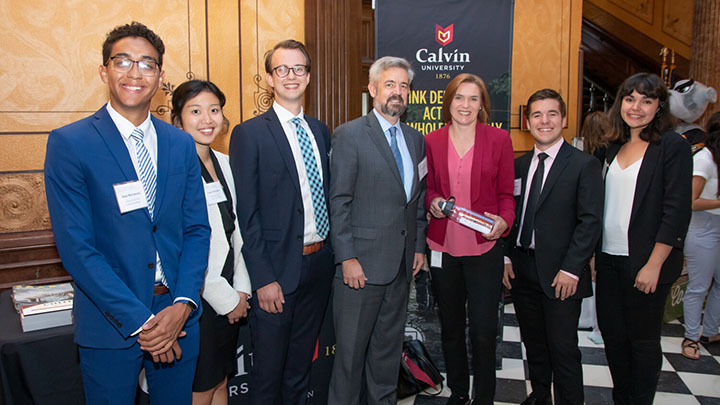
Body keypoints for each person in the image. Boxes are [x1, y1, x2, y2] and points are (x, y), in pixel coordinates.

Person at [44, 22, 210, 404]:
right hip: (111, 321)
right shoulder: (71, 143)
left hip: (177, 316)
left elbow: (197, 230)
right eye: (123, 61)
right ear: (105, 71)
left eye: (147, 64)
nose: (135, 73)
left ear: (160, 77)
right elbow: (76, 248)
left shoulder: (180, 143)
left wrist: (183, 304)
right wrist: (143, 322)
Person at [229, 39, 333, 404]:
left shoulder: (320, 131)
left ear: (308, 76)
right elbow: (248, 214)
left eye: (299, 69)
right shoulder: (249, 133)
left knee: (299, 371)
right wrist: (264, 278)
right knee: (268, 375)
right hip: (276, 273)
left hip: (319, 265)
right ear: (270, 79)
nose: (291, 76)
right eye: (282, 69)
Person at [328, 56, 427, 405]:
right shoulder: (350, 134)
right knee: (350, 359)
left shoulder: (416, 140)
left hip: (400, 267)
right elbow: (338, 202)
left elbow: (414, 200)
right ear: (372, 89)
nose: (397, 92)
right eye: (390, 84)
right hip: (361, 270)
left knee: (386, 357)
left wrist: (417, 248)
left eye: (403, 85)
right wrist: (348, 258)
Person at [596, 72, 692, 404]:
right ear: (620, 102)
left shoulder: (672, 147)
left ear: (658, 107)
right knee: (614, 338)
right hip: (608, 260)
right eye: (630, 98)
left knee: (643, 342)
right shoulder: (611, 145)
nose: (636, 107)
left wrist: (654, 264)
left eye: (646, 101)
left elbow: (676, 211)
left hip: (647, 262)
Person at [504, 89, 603, 405]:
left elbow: (589, 223)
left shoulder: (583, 165)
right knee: (534, 344)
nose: (544, 121)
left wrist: (572, 269)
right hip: (522, 269)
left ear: (563, 119)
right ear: (527, 122)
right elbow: (511, 214)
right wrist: (506, 257)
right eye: (537, 115)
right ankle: (541, 397)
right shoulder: (518, 166)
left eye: (551, 114)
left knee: (562, 349)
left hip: (562, 275)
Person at [424, 73, 515, 405]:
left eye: (473, 99)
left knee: (482, 330)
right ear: (448, 102)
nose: (466, 105)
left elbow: (507, 193)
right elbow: (428, 188)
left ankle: (484, 398)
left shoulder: (499, 140)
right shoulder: (431, 141)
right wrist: (432, 202)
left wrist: (504, 221)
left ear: (483, 105)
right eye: (459, 98)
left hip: (484, 248)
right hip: (443, 249)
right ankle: (459, 392)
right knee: (450, 328)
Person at [170, 80, 252, 404]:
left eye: (214, 110)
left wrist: (242, 290)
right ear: (178, 119)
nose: (207, 119)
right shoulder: (173, 168)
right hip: (200, 299)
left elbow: (238, 233)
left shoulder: (225, 162)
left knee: (221, 383)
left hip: (232, 290)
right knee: (201, 388)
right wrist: (227, 300)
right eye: (196, 111)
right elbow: (182, 247)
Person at [681, 111, 720, 359]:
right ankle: (691, 338)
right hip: (703, 227)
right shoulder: (704, 158)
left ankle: (711, 331)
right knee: (698, 286)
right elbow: (691, 202)